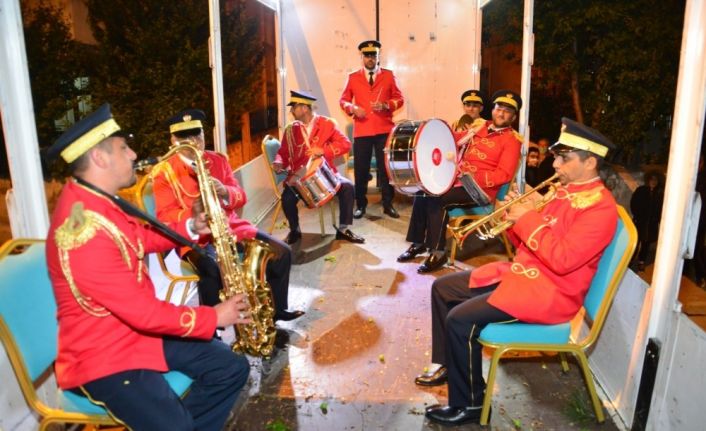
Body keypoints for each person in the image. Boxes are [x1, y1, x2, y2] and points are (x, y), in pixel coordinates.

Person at [45, 104, 251, 430]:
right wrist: (214, 316)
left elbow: (138, 238)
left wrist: (191, 227)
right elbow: (145, 313)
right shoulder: (83, 232)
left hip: (136, 334)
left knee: (231, 368)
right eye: (123, 148)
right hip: (103, 357)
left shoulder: (98, 198)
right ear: (99, 158)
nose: (133, 154)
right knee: (176, 425)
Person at [416, 117, 618, 427]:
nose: (555, 165)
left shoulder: (599, 208)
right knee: (442, 288)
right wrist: (512, 219)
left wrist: (528, 218)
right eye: (557, 157)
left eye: (565, 158)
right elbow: (529, 244)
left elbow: (562, 259)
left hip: (550, 294)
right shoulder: (564, 192)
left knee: (460, 320)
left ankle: (469, 403)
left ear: (590, 162)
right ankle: (450, 365)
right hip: (526, 276)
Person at [152, 109, 304, 322]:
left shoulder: (218, 160)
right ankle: (212, 329)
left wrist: (224, 191)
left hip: (230, 227)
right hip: (195, 239)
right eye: (186, 137)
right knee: (210, 271)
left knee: (282, 252)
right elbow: (165, 217)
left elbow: (240, 196)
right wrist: (194, 213)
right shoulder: (163, 172)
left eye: (197, 135)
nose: (194, 142)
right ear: (173, 140)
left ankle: (275, 311)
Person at [397, 90, 523, 273]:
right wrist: (437, 130)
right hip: (458, 180)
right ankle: (418, 243)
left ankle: (438, 253)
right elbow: (455, 139)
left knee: (437, 198)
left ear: (513, 117)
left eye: (507, 111)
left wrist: (471, 176)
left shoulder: (512, 140)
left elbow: (504, 175)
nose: (501, 113)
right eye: (499, 108)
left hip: (480, 190)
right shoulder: (480, 126)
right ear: (493, 109)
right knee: (423, 190)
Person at [273, 90, 364, 245]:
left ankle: (343, 229)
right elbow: (282, 152)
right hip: (298, 177)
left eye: (294, 107)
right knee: (287, 198)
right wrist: (278, 161)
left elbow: (346, 144)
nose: (292, 111)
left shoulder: (327, 124)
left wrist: (323, 150)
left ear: (304, 108)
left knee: (348, 187)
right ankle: (295, 230)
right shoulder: (290, 129)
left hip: (326, 174)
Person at [339, 39, 405, 219]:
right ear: (361, 57)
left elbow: (400, 99)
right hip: (362, 130)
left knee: (386, 169)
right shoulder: (353, 77)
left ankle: (388, 204)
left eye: (373, 55)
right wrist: (353, 108)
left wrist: (386, 105)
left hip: (384, 130)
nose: (370, 58)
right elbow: (343, 100)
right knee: (361, 170)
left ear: (378, 56)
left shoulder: (389, 75)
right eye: (367, 55)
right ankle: (360, 204)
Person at [630, 171, 664, 271]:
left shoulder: (659, 194)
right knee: (635, 242)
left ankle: (641, 261)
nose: (653, 181)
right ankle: (629, 261)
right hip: (640, 222)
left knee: (646, 244)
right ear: (648, 180)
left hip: (651, 224)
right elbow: (633, 203)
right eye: (652, 179)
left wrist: (658, 219)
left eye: (655, 180)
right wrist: (638, 215)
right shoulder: (641, 190)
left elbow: (661, 208)